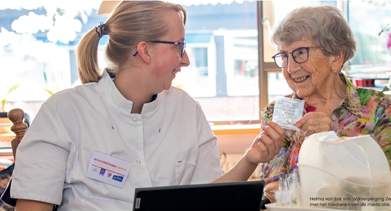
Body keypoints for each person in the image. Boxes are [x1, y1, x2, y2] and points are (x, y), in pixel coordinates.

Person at [10, 1, 285, 210]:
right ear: (144, 50)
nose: (186, 59)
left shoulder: (186, 110)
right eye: (179, 46)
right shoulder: (64, 112)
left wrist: (251, 159)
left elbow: (208, 197)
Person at [261, 6, 391, 202]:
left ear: (336, 58)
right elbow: (273, 188)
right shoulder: (280, 111)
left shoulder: (381, 107)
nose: (290, 68)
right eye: (284, 56)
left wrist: (335, 141)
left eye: (300, 53)